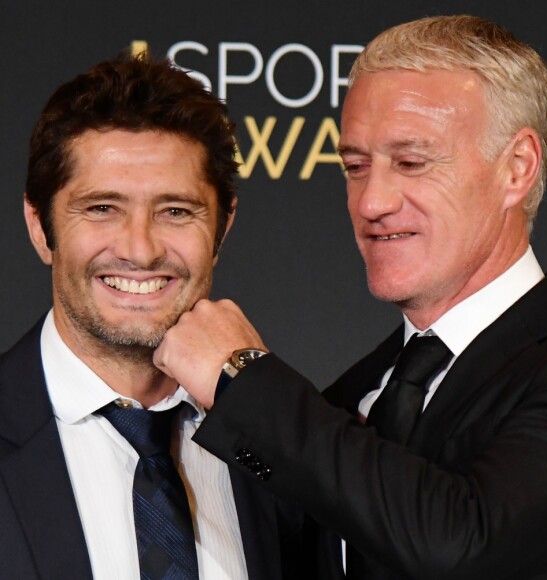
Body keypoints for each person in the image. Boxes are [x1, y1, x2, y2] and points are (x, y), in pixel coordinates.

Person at [152, 15, 547, 579]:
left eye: (412, 162)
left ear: (516, 168)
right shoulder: (355, 396)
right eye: (355, 166)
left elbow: (462, 544)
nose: (371, 201)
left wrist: (243, 378)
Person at [0, 54, 316, 580]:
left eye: (176, 211)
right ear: (39, 226)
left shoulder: (286, 445)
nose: (141, 250)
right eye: (102, 208)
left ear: (222, 228)